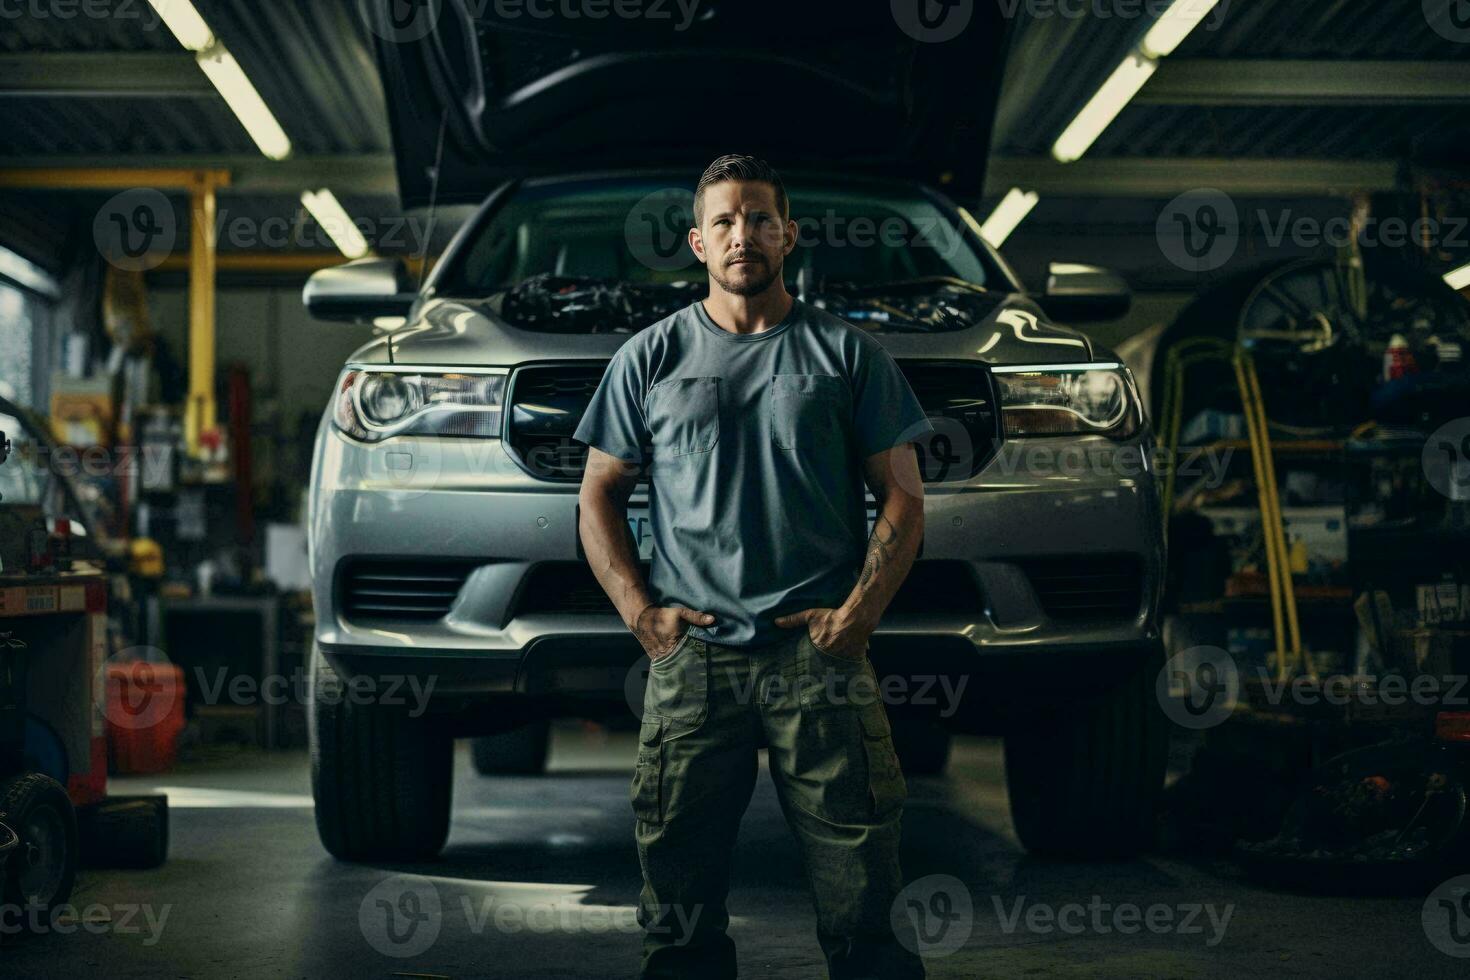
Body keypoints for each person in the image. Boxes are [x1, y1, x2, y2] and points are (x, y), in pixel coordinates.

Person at [574, 154, 933, 979]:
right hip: (693, 662)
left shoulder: (848, 355)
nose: (745, 235)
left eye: (761, 218)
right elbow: (598, 496)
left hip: (821, 659)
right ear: (699, 243)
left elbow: (905, 499)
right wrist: (643, 615)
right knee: (680, 911)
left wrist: (857, 618)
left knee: (866, 905)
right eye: (727, 222)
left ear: (789, 235)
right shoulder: (650, 357)